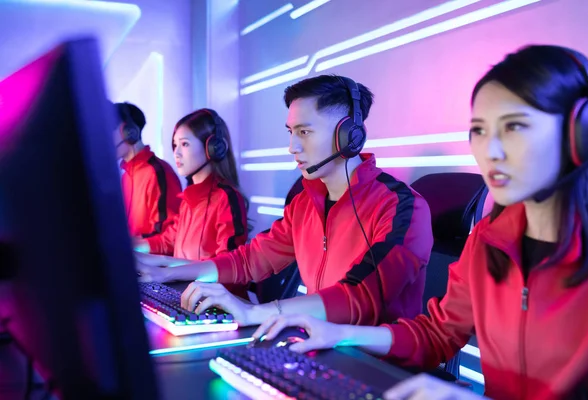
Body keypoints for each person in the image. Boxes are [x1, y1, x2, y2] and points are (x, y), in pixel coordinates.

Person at [252, 45, 588, 400]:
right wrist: (339, 334)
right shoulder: (488, 238)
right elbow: (437, 333)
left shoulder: (401, 206)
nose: (490, 150)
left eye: (514, 127)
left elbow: (363, 295)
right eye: (479, 130)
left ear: (580, 133)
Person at [136, 75, 433, 328]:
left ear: (348, 136)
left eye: (304, 132)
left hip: (382, 372)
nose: (292, 147)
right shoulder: (304, 204)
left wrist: (256, 312)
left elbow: (360, 295)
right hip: (321, 348)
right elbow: (249, 260)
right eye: (291, 132)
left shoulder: (402, 207)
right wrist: (169, 273)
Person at [134, 108, 250, 263]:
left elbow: (228, 265)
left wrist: (172, 269)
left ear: (213, 148)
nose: (176, 153)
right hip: (183, 286)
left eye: (185, 144)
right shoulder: (188, 200)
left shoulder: (226, 199)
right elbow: (166, 241)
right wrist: (130, 247)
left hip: (204, 288)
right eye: (175, 145)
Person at [114, 102, 182, 238]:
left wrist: (133, 247)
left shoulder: (157, 173)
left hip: (151, 259)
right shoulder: (125, 177)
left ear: (128, 132)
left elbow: (167, 236)